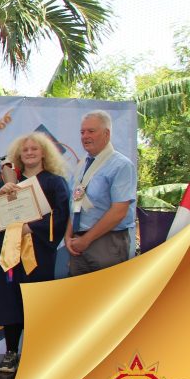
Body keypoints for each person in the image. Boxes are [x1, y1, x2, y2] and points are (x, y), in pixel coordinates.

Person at [0, 133, 69, 373]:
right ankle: (11, 352)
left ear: (44, 152)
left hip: (39, 252)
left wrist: (31, 228)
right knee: (10, 299)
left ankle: (36, 353)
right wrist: (0, 196)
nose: (29, 153)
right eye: (25, 150)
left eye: (34, 149)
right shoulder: (10, 183)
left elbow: (61, 215)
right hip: (11, 251)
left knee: (36, 299)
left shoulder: (55, 182)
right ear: (19, 154)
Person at [64, 110, 136, 275]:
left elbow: (119, 211)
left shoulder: (121, 165)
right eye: (82, 132)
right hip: (77, 242)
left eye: (91, 131)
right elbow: (76, 203)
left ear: (106, 133)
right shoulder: (82, 165)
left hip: (107, 242)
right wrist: (68, 236)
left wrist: (86, 239)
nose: (85, 136)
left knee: (107, 290)